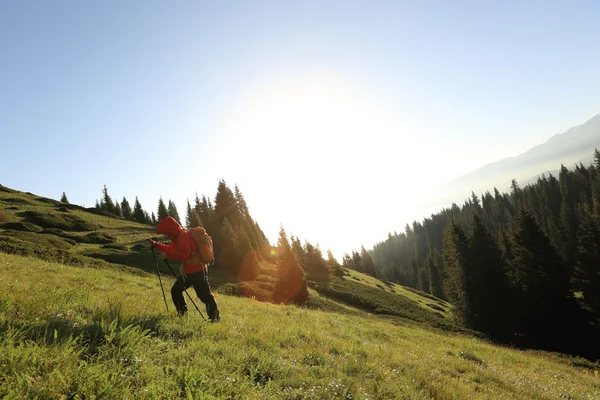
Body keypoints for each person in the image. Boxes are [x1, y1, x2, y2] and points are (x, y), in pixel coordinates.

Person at [148, 216, 220, 322]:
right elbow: (170, 249)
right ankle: (182, 315)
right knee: (176, 291)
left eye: (166, 233)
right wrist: (156, 245)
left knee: (204, 295)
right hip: (188, 272)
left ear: (171, 230)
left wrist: (167, 256)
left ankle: (215, 317)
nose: (166, 236)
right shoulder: (177, 238)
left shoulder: (183, 236)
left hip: (198, 271)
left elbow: (184, 254)